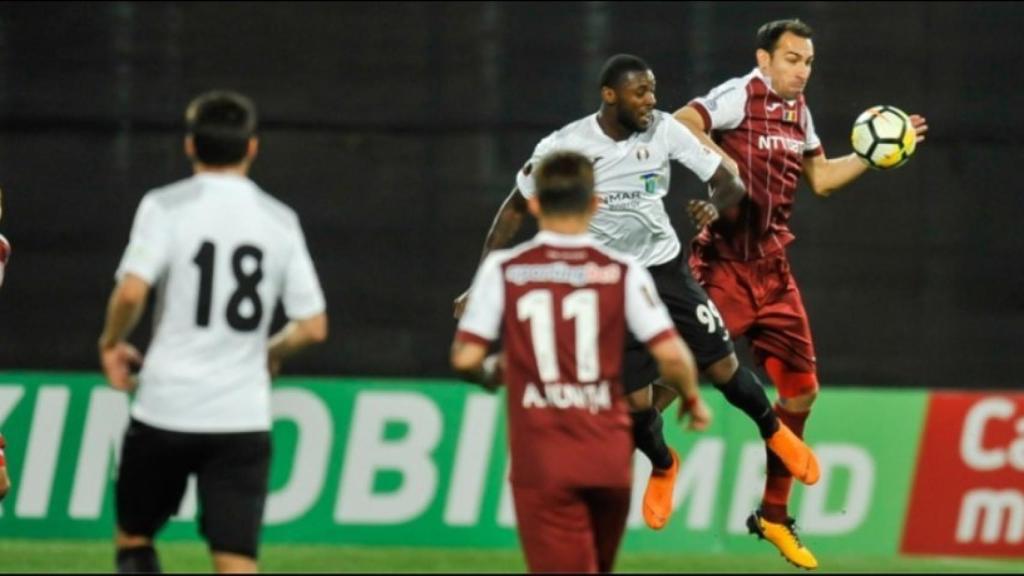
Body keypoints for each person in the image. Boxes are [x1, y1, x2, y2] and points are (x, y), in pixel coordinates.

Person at [454, 54, 818, 532]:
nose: (651, 100)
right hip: (612, 284)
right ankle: (665, 465)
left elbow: (729, 181)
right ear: (610, 95)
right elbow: (515, 209)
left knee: (725, 367)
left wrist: (712, 205)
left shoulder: (664, 130)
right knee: (635, 404)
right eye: (640, 92)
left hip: (667, 273)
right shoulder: (566, 146)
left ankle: (774, 434)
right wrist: (481, 280)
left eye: (653, 90)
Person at [674, 19, 929, 569]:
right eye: (792, 59)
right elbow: (681, 122)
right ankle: (617, 447)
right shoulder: (739, 95)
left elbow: (824, 181)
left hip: (773, 271)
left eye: (808, 61)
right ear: (764, 59)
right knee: (669, 381)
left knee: (803, 392)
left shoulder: (800, 112)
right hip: (722, 267)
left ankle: (773, 515)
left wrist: (873, 153)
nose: (801, 70)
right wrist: (719, 164)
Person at [98, 91, 328, 573]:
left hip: (166, 406)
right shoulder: (279, 220)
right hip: (241, 416)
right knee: (236, 560)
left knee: (135, 536)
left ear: (190, 145)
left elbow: (130, 293)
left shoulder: (165, 207)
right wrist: (270, 351)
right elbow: (312, 326)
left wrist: (112, 342)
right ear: (251, 148)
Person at [451, 150, 706, 573]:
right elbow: (674, 356)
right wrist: (693, 400)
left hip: (543, 459)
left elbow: (464, 358)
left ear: (534, 205)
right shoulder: (622, 271)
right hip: (608, 458)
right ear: (594, 204)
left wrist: (491, 373)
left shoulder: (505, 269)